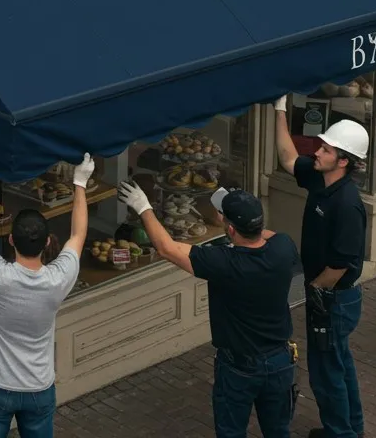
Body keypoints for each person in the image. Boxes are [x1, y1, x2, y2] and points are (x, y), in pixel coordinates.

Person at [116, 179, 300, 438]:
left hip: (239, 367)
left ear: (232, 229)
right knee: (279, 431)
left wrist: (143, 206)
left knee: (231, 433)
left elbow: (167, 249)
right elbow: (263, 236)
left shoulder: (224, 263)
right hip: (280, 360)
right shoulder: (284, 248)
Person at [0, 154, 92, 438]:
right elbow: (78, 234)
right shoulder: (58, 279)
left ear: (11, 240)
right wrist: (80, 183)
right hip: (38, 387)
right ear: (47, 243)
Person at [274, 97, 370, 438]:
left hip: (334, 300)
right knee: (340, 365)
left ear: (343, 161)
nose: (318, 151)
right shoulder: (320, 179)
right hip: (332, 298)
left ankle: (340, 434)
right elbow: (287, 158)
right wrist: (279, 109)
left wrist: (314, 291)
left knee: (326, 372)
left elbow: (341, 264)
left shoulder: (346, 205)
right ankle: (350, 428)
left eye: (327, 150)